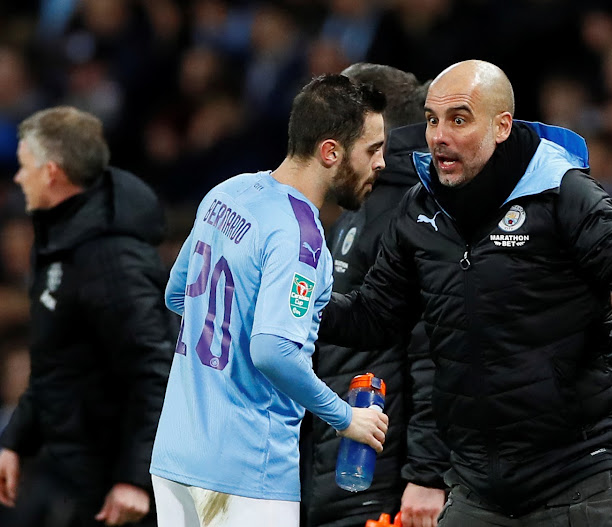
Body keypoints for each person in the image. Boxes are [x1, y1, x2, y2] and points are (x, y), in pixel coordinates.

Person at [318, 60, 612, 526]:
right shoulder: (419, 209)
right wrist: (300, 305)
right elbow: (374, 317)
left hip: (579, 479)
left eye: (459, 119)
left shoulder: (561, 190)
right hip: (476, 489)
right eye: (431, 120)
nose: (439, 136)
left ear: (502, 126)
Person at [149, 74, 389, 527]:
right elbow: (272, 350)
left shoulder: (228, 192)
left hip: (176, 459)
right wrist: (346, 419)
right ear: (331, 151)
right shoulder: (300, 234)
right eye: (372, 149)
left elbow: (177, 293)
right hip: (245, 471)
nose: (381, 162)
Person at [0, 106, 176, 526]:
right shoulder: (63, 241)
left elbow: (156, 370)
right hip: (78, 475)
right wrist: (15, 441)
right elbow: (55, 361)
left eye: (24, 167)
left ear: (52, 173)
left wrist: (134, 479)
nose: (18, 178)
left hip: (122, 489)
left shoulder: (111, 257)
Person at [302, 63, 449, 527]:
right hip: (338, 472)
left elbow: (436, 355)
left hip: (380, 483)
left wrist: (426, 475)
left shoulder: (421, 214)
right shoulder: (360, 200)